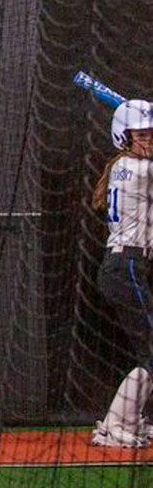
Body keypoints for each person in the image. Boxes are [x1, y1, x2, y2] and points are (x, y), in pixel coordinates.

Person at [89, 97, 153, 449]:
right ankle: (115, 425)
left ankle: (127, 420)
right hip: (125, 266)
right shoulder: (138, 169)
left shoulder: (124, 167)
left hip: (128, 268)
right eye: (140, 135)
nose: (148, 141)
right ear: (123, 137)